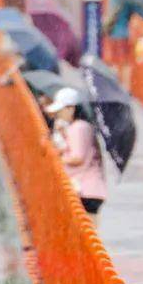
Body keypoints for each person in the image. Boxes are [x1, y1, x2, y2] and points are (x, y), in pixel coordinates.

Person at [48, 86, 106, 216]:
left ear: (71, 108)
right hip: (92, 190)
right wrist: (64, 134)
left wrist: (57, 159)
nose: (59, 114)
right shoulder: (83, 126)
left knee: (85, 229)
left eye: (61, 110)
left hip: (84, 189)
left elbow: (77, 157)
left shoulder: (77, 128)